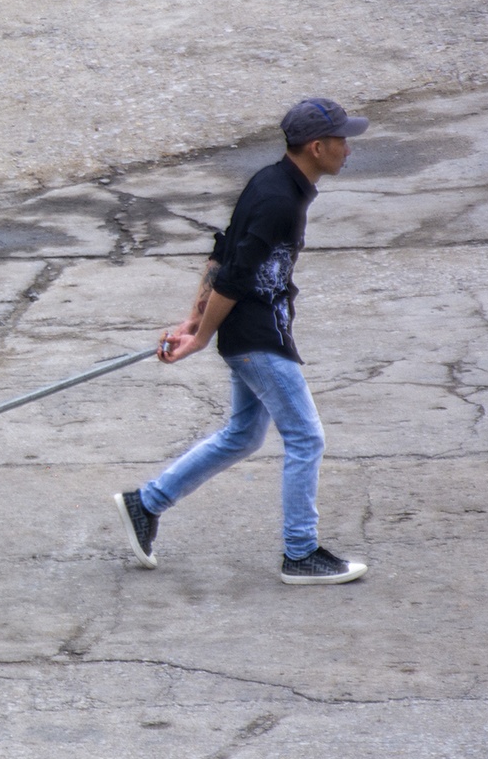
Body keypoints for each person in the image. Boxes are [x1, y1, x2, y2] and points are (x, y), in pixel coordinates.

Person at [113, 98, 370, 585]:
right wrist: (201, 335)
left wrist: (193, 319)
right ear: (317, 148)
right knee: (306, 436)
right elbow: (233, 277)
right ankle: (301, 553)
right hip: (256, 338)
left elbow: (222, 249)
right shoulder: (280, 200)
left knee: (243, 435)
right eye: (341, 141)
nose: (348, 151)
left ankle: (144, 505)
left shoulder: (273, 182)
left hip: (252, 331)